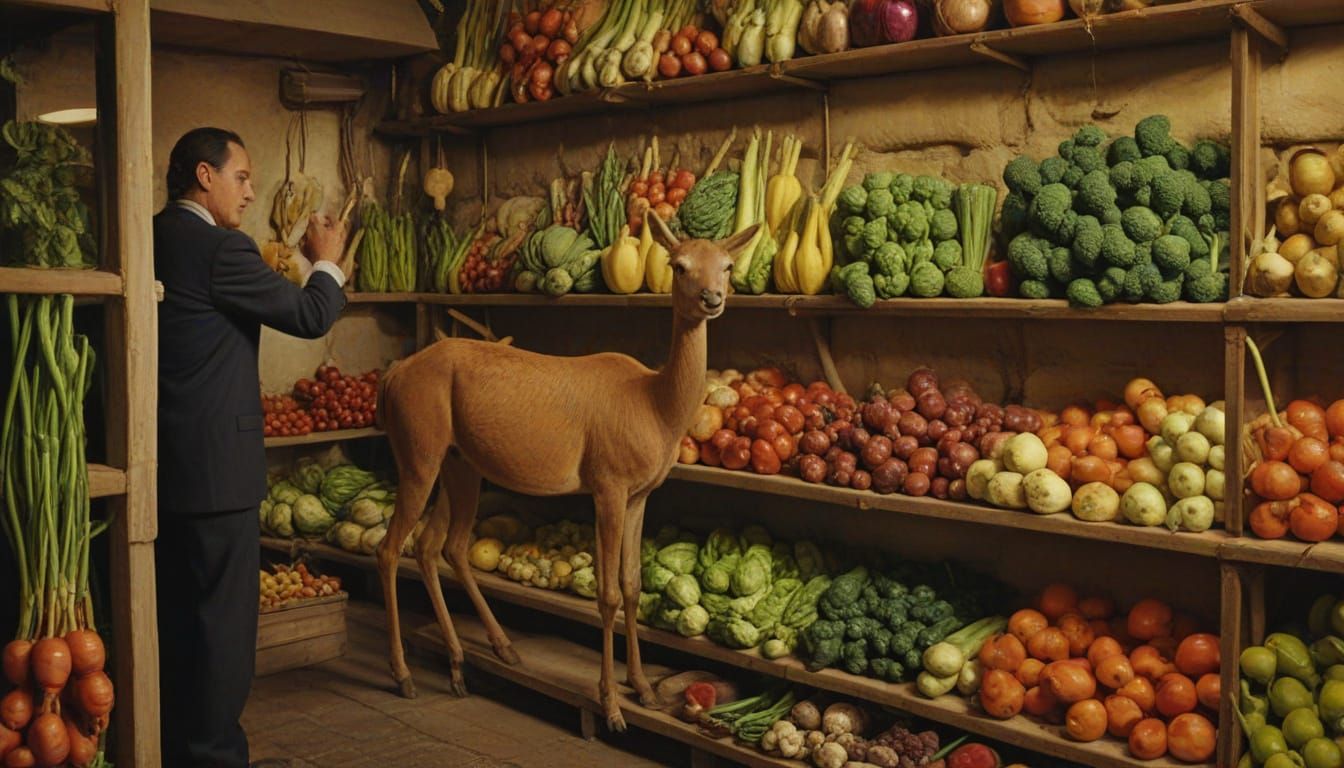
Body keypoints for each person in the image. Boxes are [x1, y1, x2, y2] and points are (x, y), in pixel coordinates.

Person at [154, 127, 350, 768]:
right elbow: (311, 315)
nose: (251, 189)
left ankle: (175, 745)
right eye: (242, 177)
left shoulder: (150, 236)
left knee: (178, 621)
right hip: (218, 476)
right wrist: (327, 260)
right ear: (204, 176)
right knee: (223, 629)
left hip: (166, 464)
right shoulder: (219, 249)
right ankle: (212, 756)